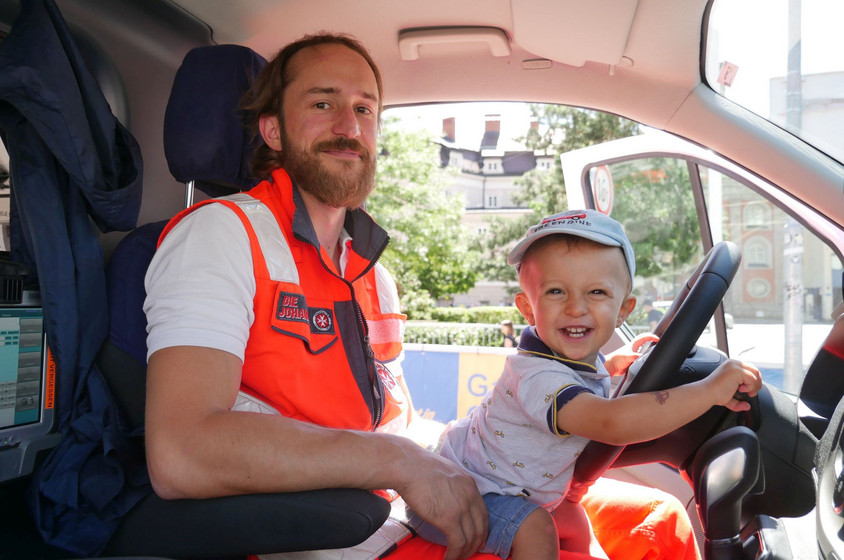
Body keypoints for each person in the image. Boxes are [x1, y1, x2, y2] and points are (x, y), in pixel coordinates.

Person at [144, 32, 725, 560]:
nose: (349, 123)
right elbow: (183, 451)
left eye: (365, 108)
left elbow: (392, 422)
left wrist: (478, 441)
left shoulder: (368, 271)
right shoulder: (222, 235)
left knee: (661, 521)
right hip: (335, 533)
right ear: (273, 129)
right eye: (322, 103)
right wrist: (400, 464)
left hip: (406, 497)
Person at [406, 209, 762, 560]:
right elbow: (613, 422)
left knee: (573, 519)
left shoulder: (575, 364)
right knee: (537, 528)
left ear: (624, 309)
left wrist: (617, 366)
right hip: (456, 496)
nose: (576, 307)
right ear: (528, 309)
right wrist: (709, 391)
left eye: (595, 292)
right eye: (556, 292)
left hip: (517, 488)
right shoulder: (536, 376)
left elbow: (583, 381)